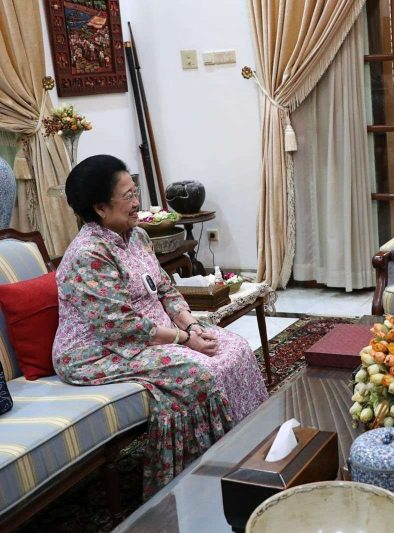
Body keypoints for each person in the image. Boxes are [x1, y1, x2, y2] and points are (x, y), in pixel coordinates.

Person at [52, 155, 268, 496]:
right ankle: (202, 480)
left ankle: (256, 446)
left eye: (135, 191)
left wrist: (192, 326)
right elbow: (120, 326)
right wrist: (184, 340)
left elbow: (165, 288)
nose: (137, 202)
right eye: (128, 196)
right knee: (198, 371)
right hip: (98, 351)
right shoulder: (88, 255)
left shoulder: (136, 236)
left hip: (153, 334)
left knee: (234, 347)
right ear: (100, 208)